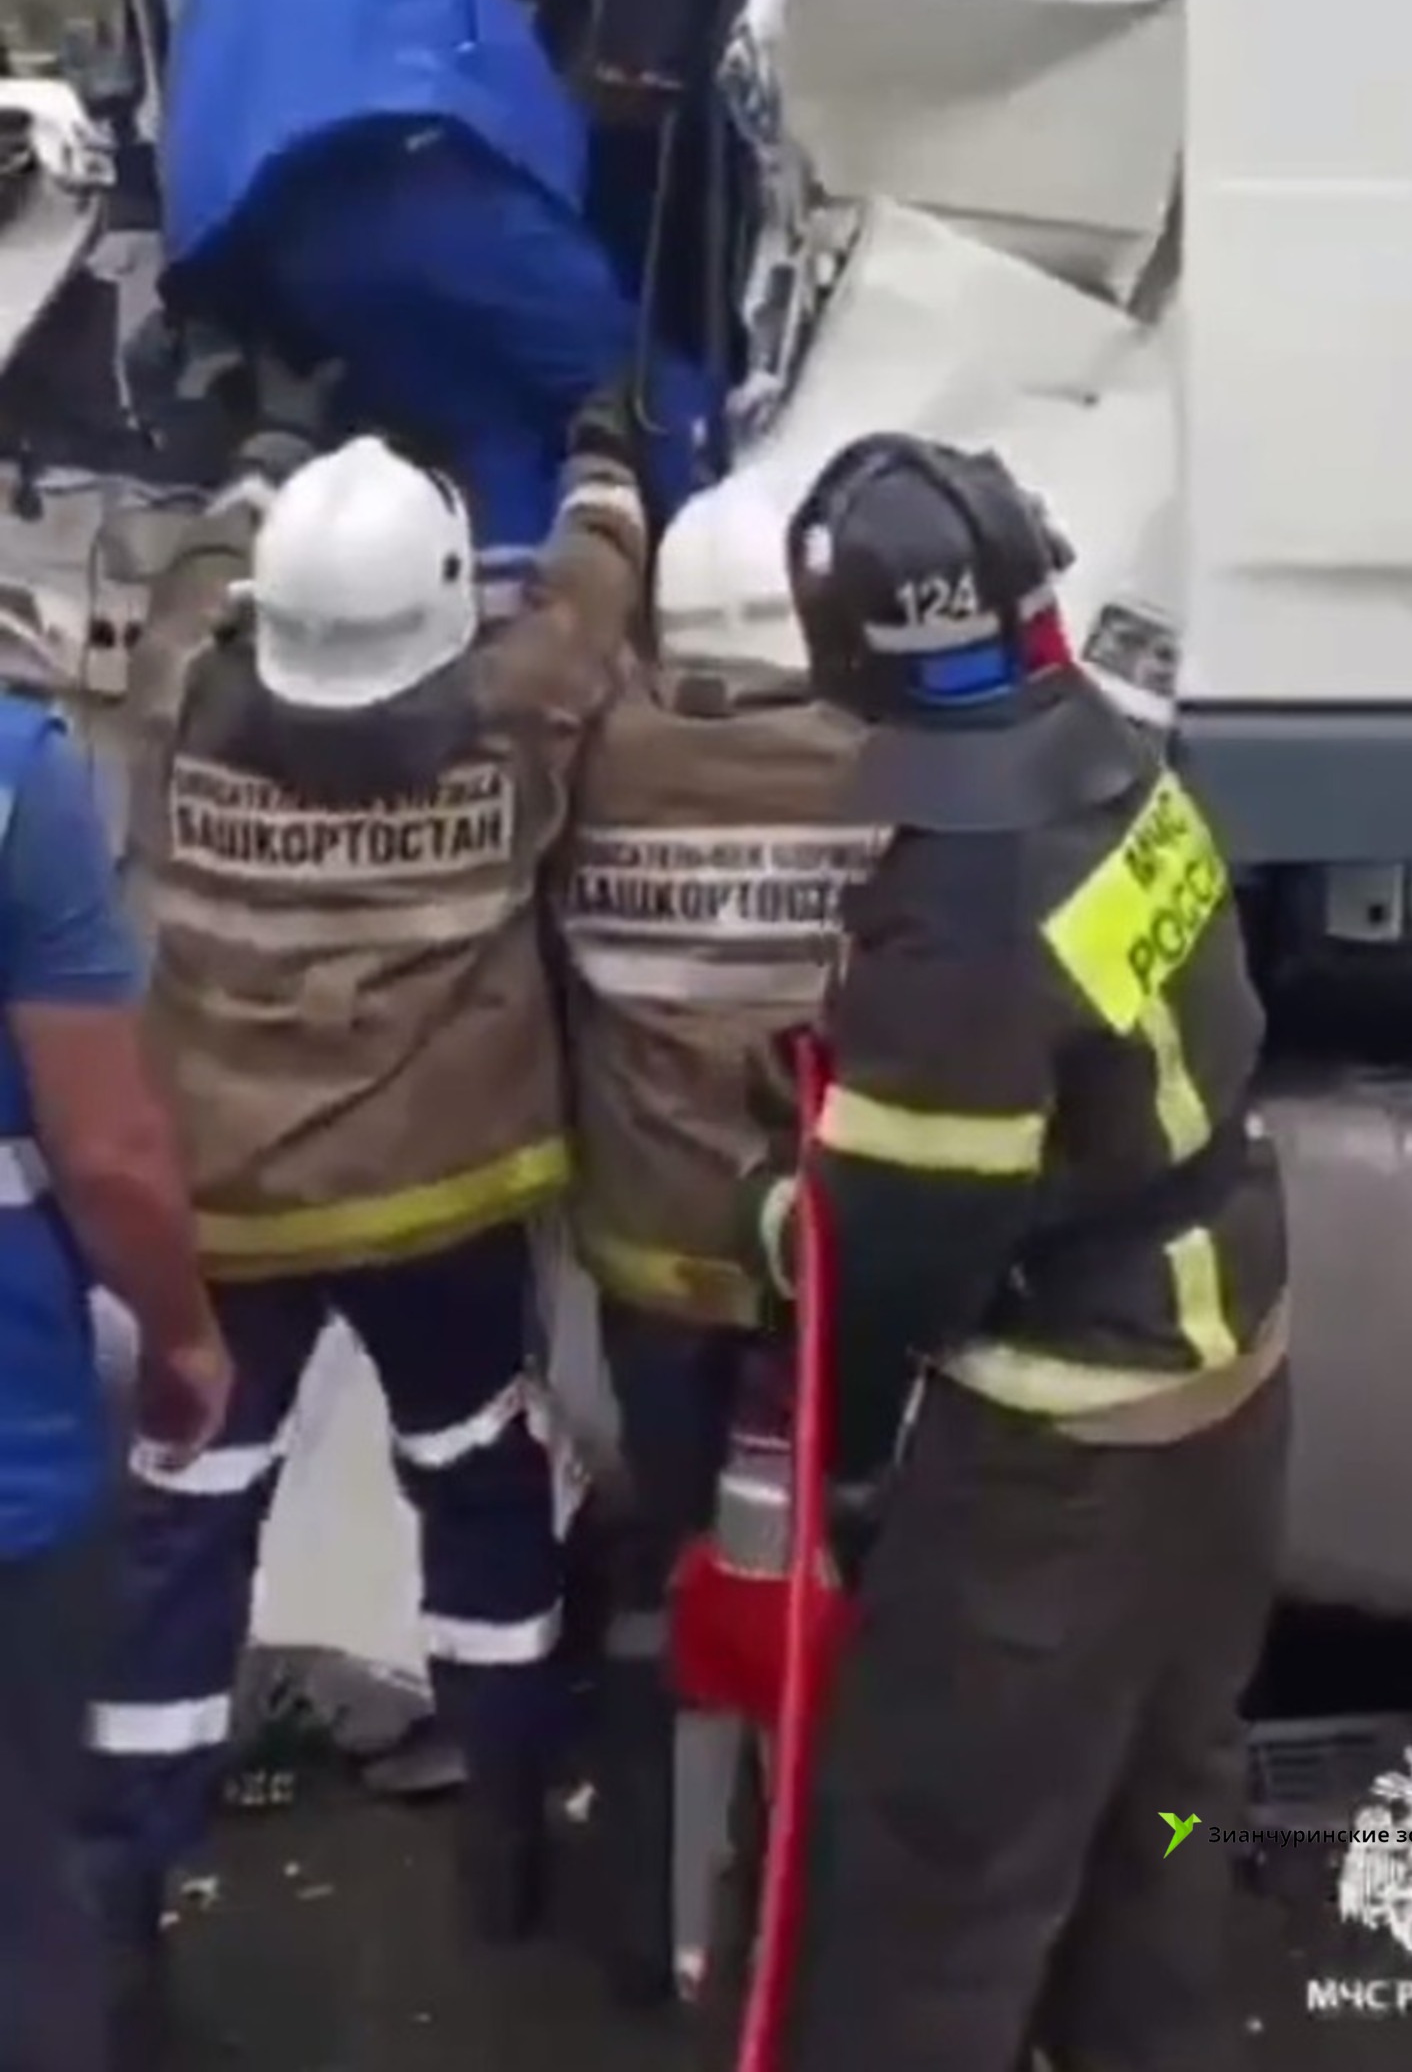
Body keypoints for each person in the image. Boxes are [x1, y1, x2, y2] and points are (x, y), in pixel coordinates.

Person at [84, 381, 652, 2062]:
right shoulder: (511, 730)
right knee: (475, 1482)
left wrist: (266, 455)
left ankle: (121, 1899)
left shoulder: (183, 706)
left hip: (234, 1212)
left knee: (189, 1526)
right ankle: (504, 1834)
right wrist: (606, 465)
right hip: (444, 1203)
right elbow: (590, 610)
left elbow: (191, 583)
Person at [759, 434, 1291, 2072]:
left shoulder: (957, 902)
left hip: (1058, 1468)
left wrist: (784, 1229)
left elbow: (899, 1249)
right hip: (1225, 1385)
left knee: (947, 1872)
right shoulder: (1126, 765)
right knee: (1168, 1801)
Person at [159, 0, 711, 607]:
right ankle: (757, 608)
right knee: (639, 391)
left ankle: (505, 639)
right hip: (397, 161)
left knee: (495, 426)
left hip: (284, 240)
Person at [556, 648, 873, 2005]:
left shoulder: (603, 758)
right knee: (842, 1565)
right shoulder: (874, 760)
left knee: (678, 1570)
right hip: (818, 1263)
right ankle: (824, 1902)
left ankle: (663, 1922)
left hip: (658, 1267)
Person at [0, 677, 228, 2072]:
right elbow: (111, 1157)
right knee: (20, 1902)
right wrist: (183, 1333)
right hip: (10, 1460)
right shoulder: (16, 778)